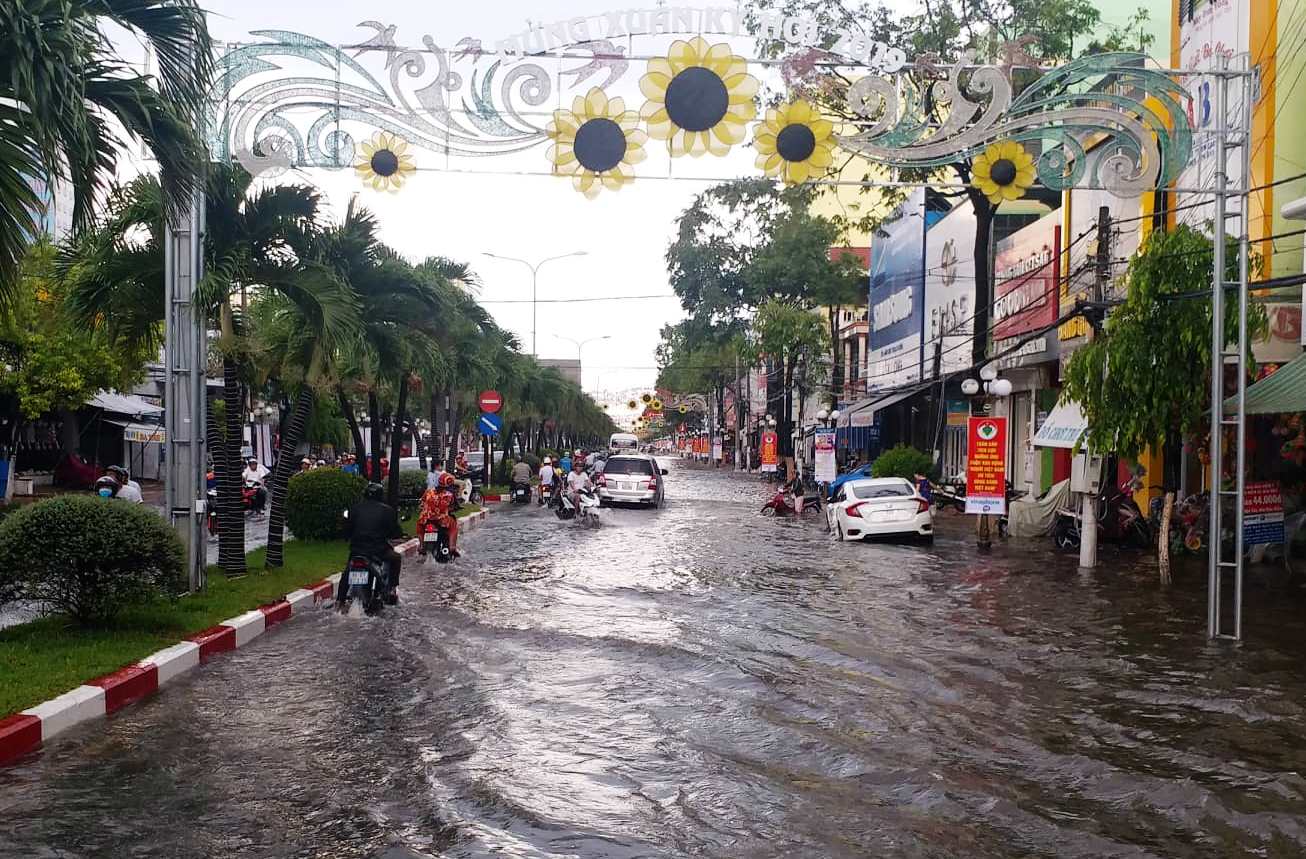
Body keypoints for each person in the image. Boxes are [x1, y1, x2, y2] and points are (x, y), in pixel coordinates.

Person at [339, 482, 405, 606]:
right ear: (380, 495)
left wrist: (348, 537)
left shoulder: (354, 508)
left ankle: (340, 601)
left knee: (347, 570)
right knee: (396, 558)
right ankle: (391, 589)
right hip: (378, 550)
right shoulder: (387, 511)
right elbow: (395, 532)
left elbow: (346, 530)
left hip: (357, 550)